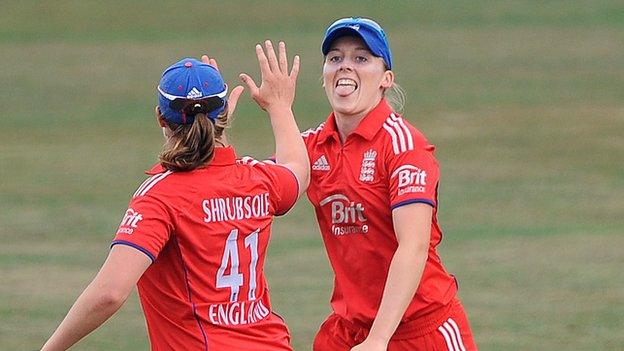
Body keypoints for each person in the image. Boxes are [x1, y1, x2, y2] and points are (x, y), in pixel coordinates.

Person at [41, 41, 308, 351]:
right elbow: (298, 171)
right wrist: (279, 106)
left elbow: (109, 293)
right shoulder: (257, 178)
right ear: (224, 113)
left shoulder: (161, 196)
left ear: (160, 118)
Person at [303, 17, 478, 350]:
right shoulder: (312, 146)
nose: (345, 67)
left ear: (386, 79)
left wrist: (378, 339)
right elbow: (257, 185)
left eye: (361, 58)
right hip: (349, 331)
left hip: (422, 332)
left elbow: (411, 247)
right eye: (335, 58)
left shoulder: (404, 145)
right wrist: (276, 107)